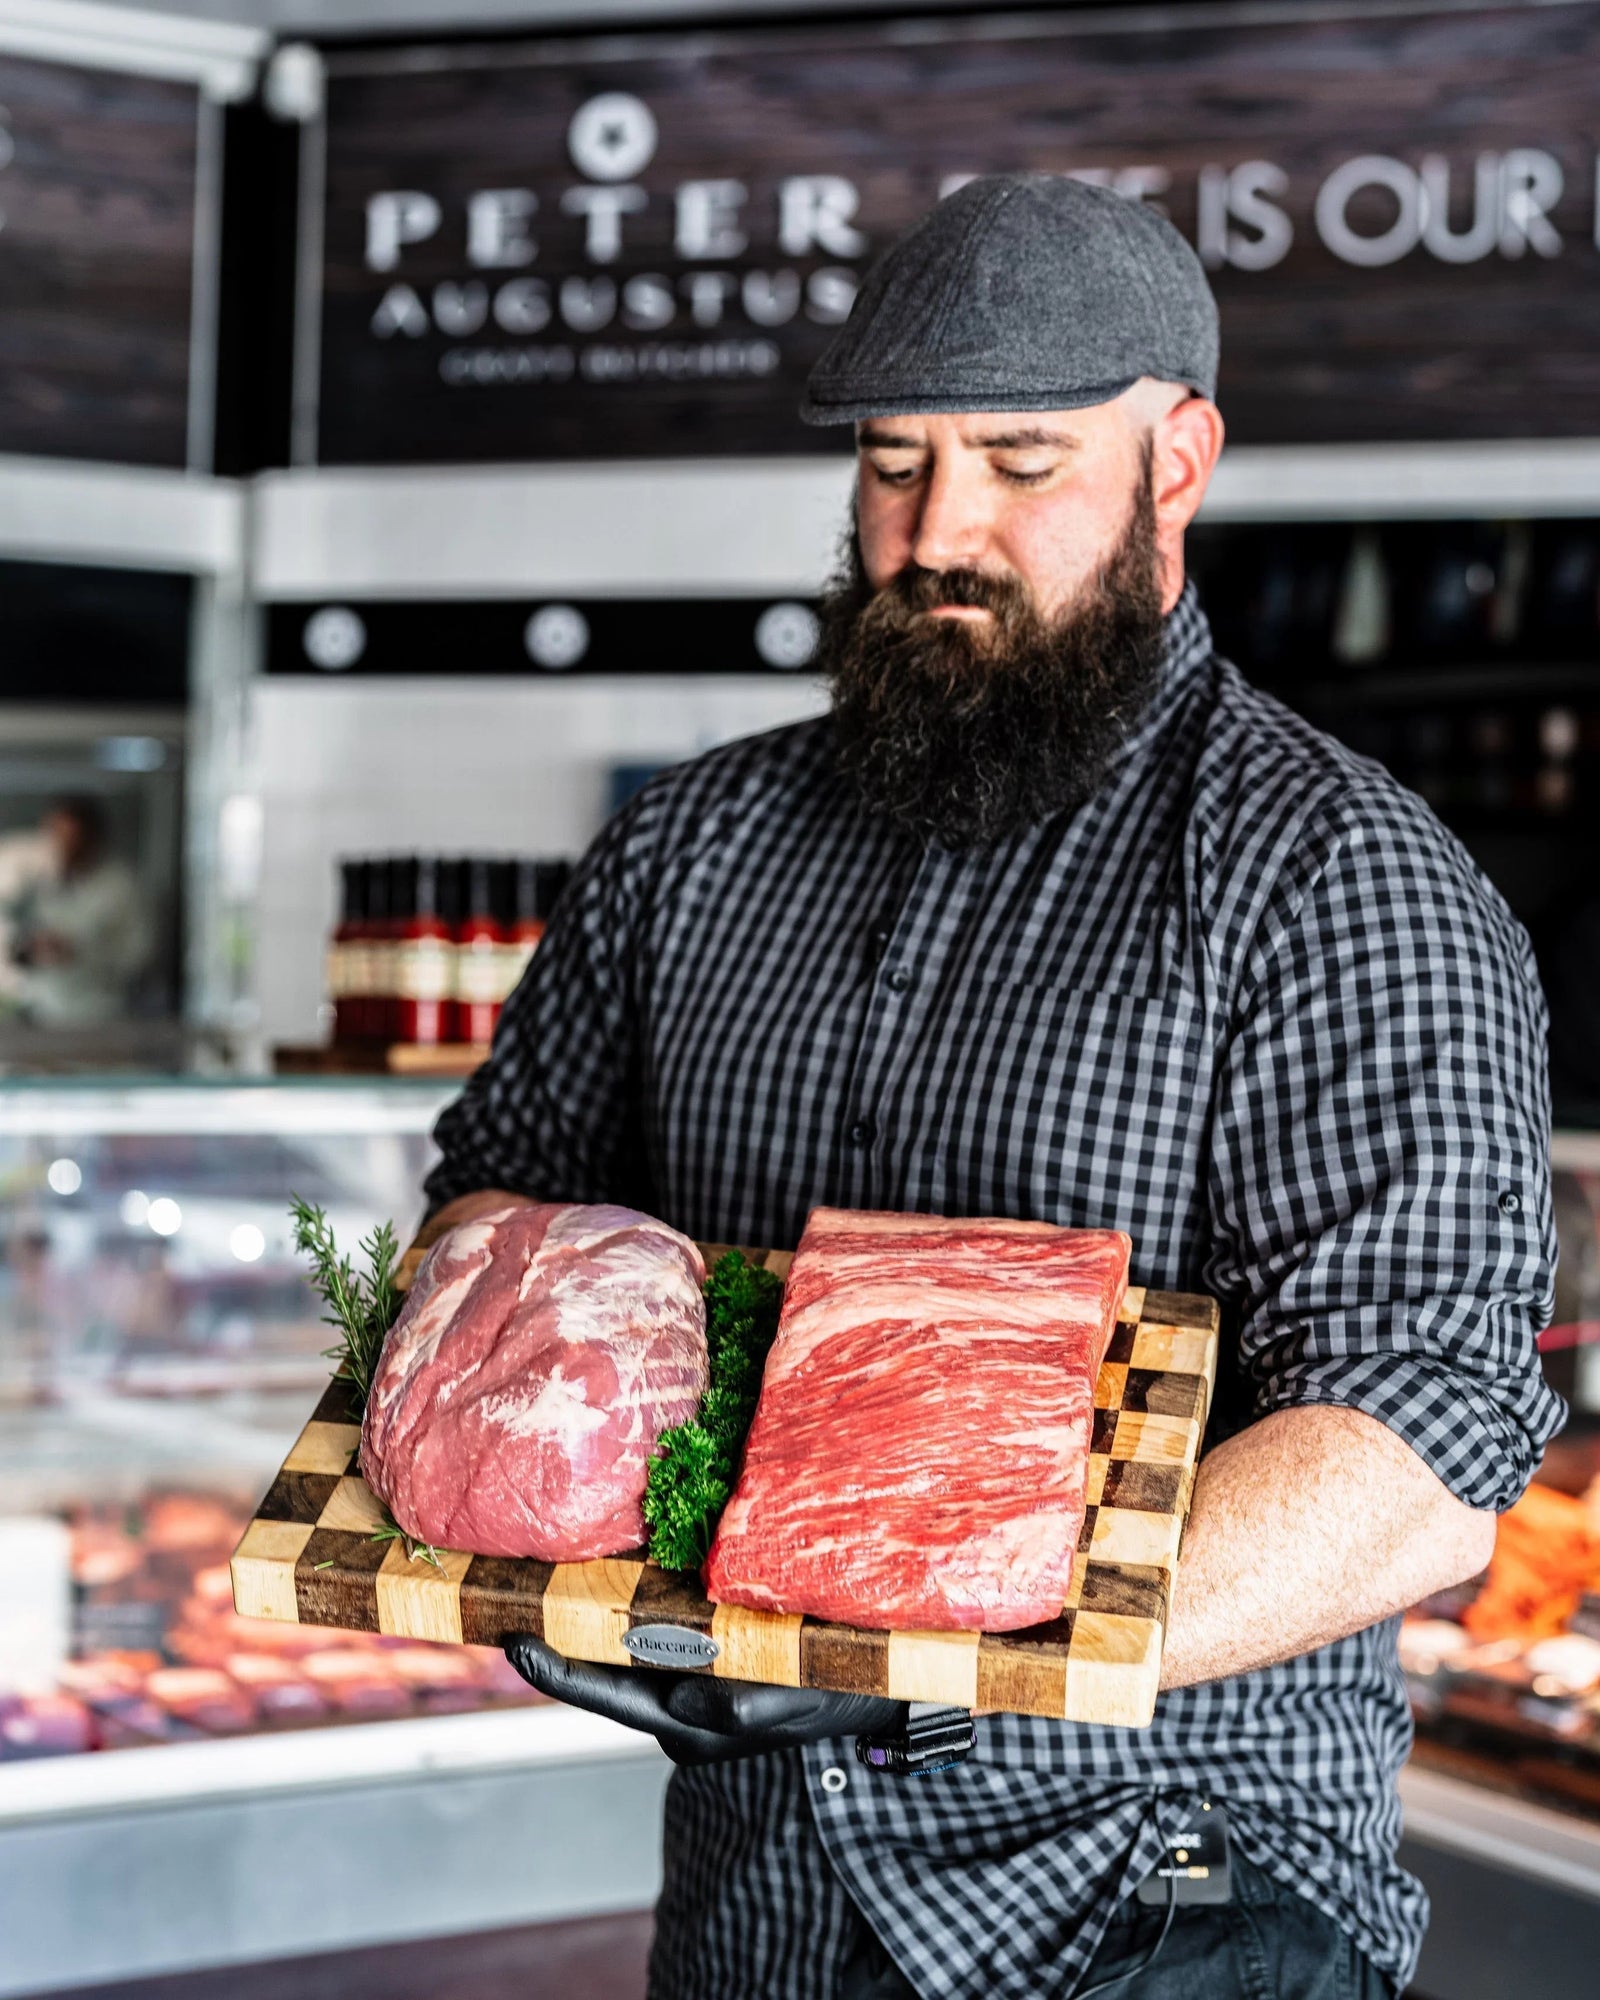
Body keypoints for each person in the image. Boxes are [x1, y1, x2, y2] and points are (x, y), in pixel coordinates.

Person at [419, 177, 1561, 1998]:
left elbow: (1414, 1455)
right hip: (761, 1911)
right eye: (891, 460)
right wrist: (543, 1516)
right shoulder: (693, 848)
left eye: (1022, 462)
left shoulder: (1335, 876)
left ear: (1177, 460)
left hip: (1165, 1906)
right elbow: (499, 1207)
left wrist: (916, 1642)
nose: (938, 529)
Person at [0, 797, 154, 1027]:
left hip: (98, 1014)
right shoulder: (33, 876)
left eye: (72, 838)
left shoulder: (121, 886)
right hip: (37, 1011)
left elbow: (139, 955)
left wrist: (79, 952)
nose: (62, 846)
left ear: (92, 838)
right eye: (55, 835)